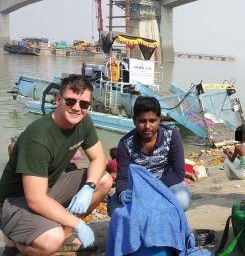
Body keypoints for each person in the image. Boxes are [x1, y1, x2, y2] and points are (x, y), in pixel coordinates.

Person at [0, 74, 112, 255]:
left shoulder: (83, 122)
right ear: (59, 99)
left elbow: (99, 158)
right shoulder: (39, 138)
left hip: (48, 188)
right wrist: (78, 223)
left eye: (84, 104)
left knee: (104, 180)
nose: (77, 108)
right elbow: (35, 199)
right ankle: (18, 244)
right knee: (51, 239)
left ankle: (64, 235)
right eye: (70, 101)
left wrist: (89, 188)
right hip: (15, 201)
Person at [108, 96, 191, 216]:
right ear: (134, 121)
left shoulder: (172, 136)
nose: (147, 126)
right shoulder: (125, 144)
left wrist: (151, 188)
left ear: (159, 120)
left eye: (152, 121)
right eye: (142, 121)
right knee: (114, 210)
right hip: (137, 189)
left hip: (166, 186)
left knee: (182, 200)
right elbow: (123, 178)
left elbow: (178, 173)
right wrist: (123, 192)